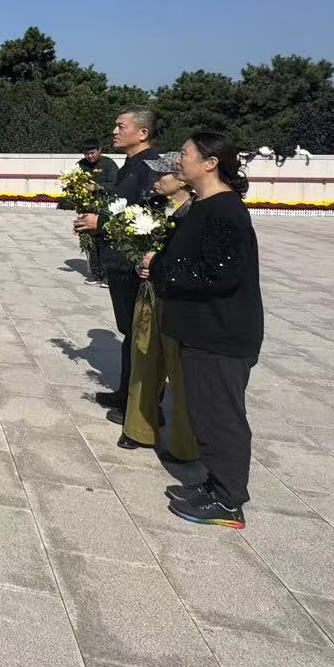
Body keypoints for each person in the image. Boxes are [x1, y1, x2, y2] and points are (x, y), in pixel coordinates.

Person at [155, 131, 264, 528]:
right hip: (201, 331)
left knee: (221, 417)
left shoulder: (225, 211)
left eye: (185, 153)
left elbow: (220, 273)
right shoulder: (203, 206)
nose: (178, 160)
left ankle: (229, 500)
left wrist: (162, 268)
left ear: (210, 163)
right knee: (205, 412)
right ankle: (215, 483)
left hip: (221, 334)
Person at [74, 107, 162, 411]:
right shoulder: (130, 165)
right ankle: (126, 393)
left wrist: (101, 222)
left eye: (120, 126)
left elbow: (148, 218)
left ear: (142, 133)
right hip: (120, 261)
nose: (114, 131)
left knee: (140, 335)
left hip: (134, 263)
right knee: (130, 331)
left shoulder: (151, 167)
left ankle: (143, 406)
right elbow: (122, 205)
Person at [121, 153, 199, 461]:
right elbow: (135, 246)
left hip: (178, 300)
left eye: (161, 175)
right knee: (144, 361)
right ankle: (138, 429)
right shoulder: (151, 207)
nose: (155, 181)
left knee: (180, 371)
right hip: (149, 294)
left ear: (181, 180)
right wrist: (140, 265)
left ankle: (184, 444)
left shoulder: (196, 213)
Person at [77, 139, 117, 282]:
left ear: (100, 150)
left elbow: (115, 184)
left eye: (92, 153)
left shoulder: (108, 164)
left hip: (104, 209)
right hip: (86, 208)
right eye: (86, 153)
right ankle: (94, 273)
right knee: (89, 242)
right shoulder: (80, 165)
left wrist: (97, 187)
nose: (90, 156)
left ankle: (107, 275)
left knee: (105, 241)